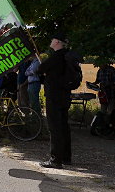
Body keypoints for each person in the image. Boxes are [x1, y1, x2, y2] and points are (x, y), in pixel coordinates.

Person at [37, 33, 80, 169]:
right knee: (64, 127)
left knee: (55, 128)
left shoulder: (56, 57)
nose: (51, 41)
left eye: (52, 39)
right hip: (64, 96)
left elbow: (39, 69)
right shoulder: (67, 57)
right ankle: (66, 157)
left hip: (54, 97)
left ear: (57, 42)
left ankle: (55, 160)